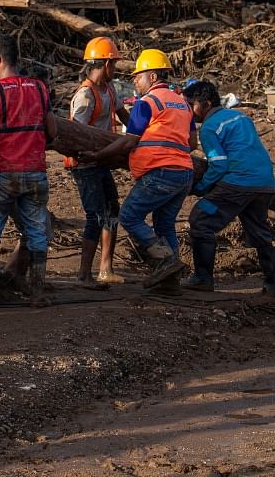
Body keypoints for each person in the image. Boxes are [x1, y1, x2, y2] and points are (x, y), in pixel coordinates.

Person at [79, 49, 196, 295]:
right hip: (184, 173)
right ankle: (170, 283)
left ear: (152, 77)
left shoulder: (147, 103)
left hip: (160, 173)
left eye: (138, 76)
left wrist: (99, 156)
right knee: (165, 224)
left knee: (131, 215)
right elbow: (192, 143)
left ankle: (166, 261)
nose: (134, 80)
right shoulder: (183, 103)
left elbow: (129, 141)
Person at [0, 36, 58, 308]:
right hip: (35, 170)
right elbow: (53, 132)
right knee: (36, 232)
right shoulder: (39, 89)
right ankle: (37, 293)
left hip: (3, 171)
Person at [182, 81, 275, 296]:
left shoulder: (208, 127)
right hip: (265, 183)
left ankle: (202, 278)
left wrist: (200, 188)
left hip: (238, 183)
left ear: (206, 104)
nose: (188, 110)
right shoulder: (242, 116)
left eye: (191, 104)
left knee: (200, 219)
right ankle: (272, 285)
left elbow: (218, 164)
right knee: (259, 232)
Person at [67, 37, 130, 288]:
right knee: (94, 215)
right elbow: (75, 134)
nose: (114, 69)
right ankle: (84, 275)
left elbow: (124, 115)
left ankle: (106, 268)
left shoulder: (109, 90)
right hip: (85, 163)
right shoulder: (85, 96)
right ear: (105, 64)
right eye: (113, 64)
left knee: (111, 209)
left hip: (101, 160)